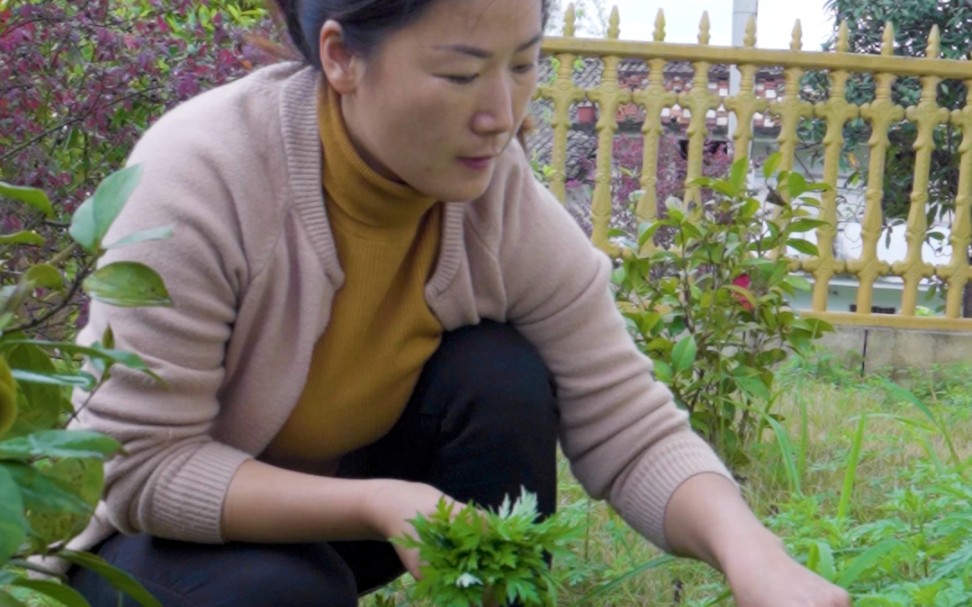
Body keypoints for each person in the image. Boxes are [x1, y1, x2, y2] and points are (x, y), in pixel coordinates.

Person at [65, 0, 852, 605]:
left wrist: (757, 557)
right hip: (148, 542)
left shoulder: (497, 205)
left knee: (500, 374)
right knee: (279, 588)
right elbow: (140, 470)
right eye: (461, 73)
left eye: (523, 64)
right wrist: (381, 502)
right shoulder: (204, 174)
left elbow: (629, 422)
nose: (502, 114)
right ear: (342, 57)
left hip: (353, 516)